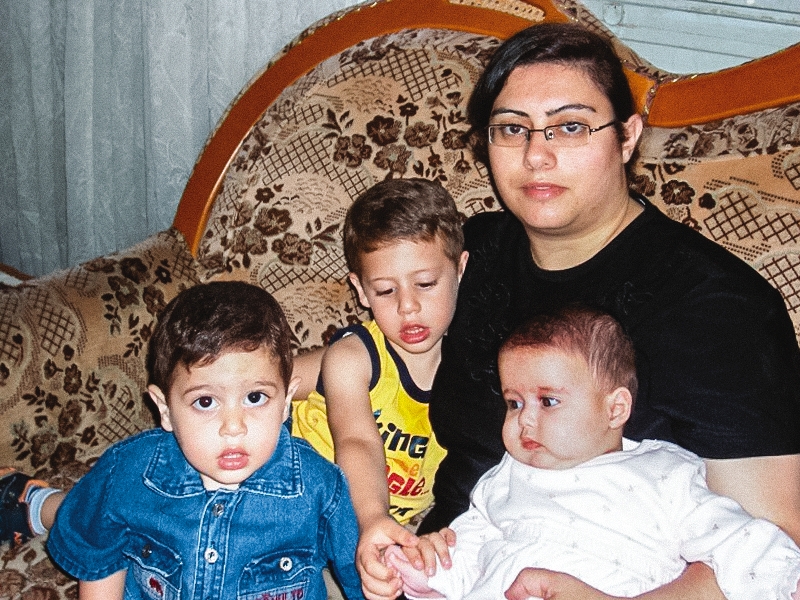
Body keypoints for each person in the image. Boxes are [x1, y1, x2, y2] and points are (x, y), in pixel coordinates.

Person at [361, 22, 800, 600]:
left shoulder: (718, 309)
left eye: (570, 126)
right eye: (512, 129)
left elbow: (771, 550)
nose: (536, 155)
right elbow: (383, 342)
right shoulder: (475, 255)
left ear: (626, 136)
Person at [382, 307, 800, 600]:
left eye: (548, 402)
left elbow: (742, 542)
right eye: (514, 403)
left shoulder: (662, 473)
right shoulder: (505, 476)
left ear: (614, 408)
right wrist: (428, 568)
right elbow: (470, 550)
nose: (524, 421)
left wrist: (785, 574)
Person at [44, 281, 364, 600]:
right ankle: (33, 503)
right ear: (165, 410)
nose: (233, 427)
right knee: (71, 510)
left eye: (255, 397)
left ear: (285, 402)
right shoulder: (126, 473)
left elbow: (360, 575)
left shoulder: (321, 487)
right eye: (206, 402)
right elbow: (99, 554)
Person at [291, 178, 468, 581]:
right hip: (302, 487)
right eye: (386, 290)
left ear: (460, 269)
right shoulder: (353, 357)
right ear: (361, 290)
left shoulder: (475, 367)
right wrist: (374, 518)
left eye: (426, 284)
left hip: (386, 524)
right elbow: (357, 441)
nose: (408, 305)